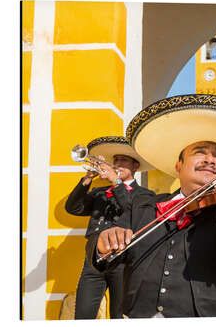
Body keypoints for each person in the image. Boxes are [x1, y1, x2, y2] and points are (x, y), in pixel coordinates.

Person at [84, 95, 216, 318]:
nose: (210, 160)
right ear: (178, 166)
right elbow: (105, 259)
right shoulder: (143, 205)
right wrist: (102, 243)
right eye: (200, 152)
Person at [65, 136, 155, 319]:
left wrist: (117, 182)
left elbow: (134, 212)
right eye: (116, 160)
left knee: (119, 315)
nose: (117, 164)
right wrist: (87, 179)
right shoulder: (100, 192)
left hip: (123, 261)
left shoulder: (145, 194)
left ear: (135, 167)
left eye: (124, 161)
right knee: (83, 315)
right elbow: (73, 208)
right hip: (94, 261)